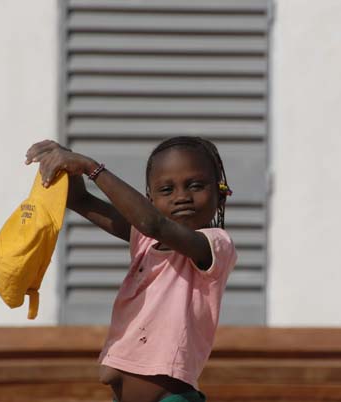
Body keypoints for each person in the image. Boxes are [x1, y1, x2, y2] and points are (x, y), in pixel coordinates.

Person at [25, 136, 237, 402]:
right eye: (166, 190)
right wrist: (64, 161)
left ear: (220, 193)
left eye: (195, 185)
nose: (182, 197)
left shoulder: (215, 245)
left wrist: (92, 168)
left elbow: (153, 223)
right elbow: (81, 200)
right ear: (150, 198)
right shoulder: (145, 241)